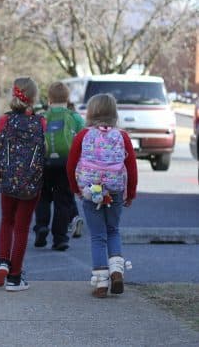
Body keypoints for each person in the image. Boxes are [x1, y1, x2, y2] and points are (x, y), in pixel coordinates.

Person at [66, 93, 137, 298]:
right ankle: (116, 270)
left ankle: (101, 282)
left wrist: (76, 188)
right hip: (115, 189)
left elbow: (71, 165)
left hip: (90, 191)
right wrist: (130, 192)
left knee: (98, 236)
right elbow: (131, 167)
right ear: (114, 113)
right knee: (113, 230)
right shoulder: (121, 136)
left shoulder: (83, 135)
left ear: (91, 112)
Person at [0, 77, 46, 291]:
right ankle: (14, 277)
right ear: (34, 97)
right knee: (22, 228)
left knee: (6, 221)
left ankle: (2, 261)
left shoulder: (4, 121)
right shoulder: (41, 122)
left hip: (7, 180)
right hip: (31, 183)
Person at [34, 82, 85, 251]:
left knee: (42, 198)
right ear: (67, 98)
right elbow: (83, 140)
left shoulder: (41, 117)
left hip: (44, 164)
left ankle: (41, 226)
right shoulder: (75, 118)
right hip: (66, 165)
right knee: (62, 202)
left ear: (49, 99)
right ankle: (60, 238)